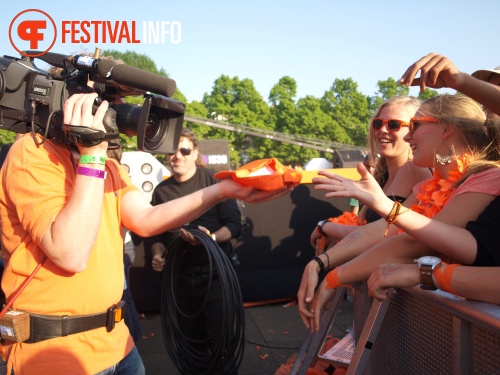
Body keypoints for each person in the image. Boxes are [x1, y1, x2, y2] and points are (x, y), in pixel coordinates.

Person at [0, 93, 290, 374]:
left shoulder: (109, 165)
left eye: (118, 103)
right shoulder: (33, 151)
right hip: (56, 352)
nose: (119, 112)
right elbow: (70, 254)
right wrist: (92, 156)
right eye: (108, 102)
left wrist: (223, 190)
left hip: (117, 343)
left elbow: (146, 219)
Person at [298, 93, 500, 332]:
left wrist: (333, 275)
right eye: (378, 124)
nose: (407, 135)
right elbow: (386, 231)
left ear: (446, 129)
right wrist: (321, 265)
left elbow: (415, 243)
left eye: (413, 125)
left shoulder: (488, 178)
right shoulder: (428, 186)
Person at [148, 127, 243, 374]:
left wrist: (210, 238)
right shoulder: (161, 191)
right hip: (178, 280)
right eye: (172, 151)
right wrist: (157, 254)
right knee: (189, 348)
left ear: (195, 153)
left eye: (184, 150)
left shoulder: (213, 181)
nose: (177, 156)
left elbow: (233, 225)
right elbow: (155, 235)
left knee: (221, 344)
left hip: (214, 278)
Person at [310, 96, 431, 254]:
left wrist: (325, 226)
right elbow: (360, 226)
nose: (382, 130)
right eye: (378, 123)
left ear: (414, 130)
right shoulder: (382, 173)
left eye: (394, 124)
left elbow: (381, 233)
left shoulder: (412, 169)